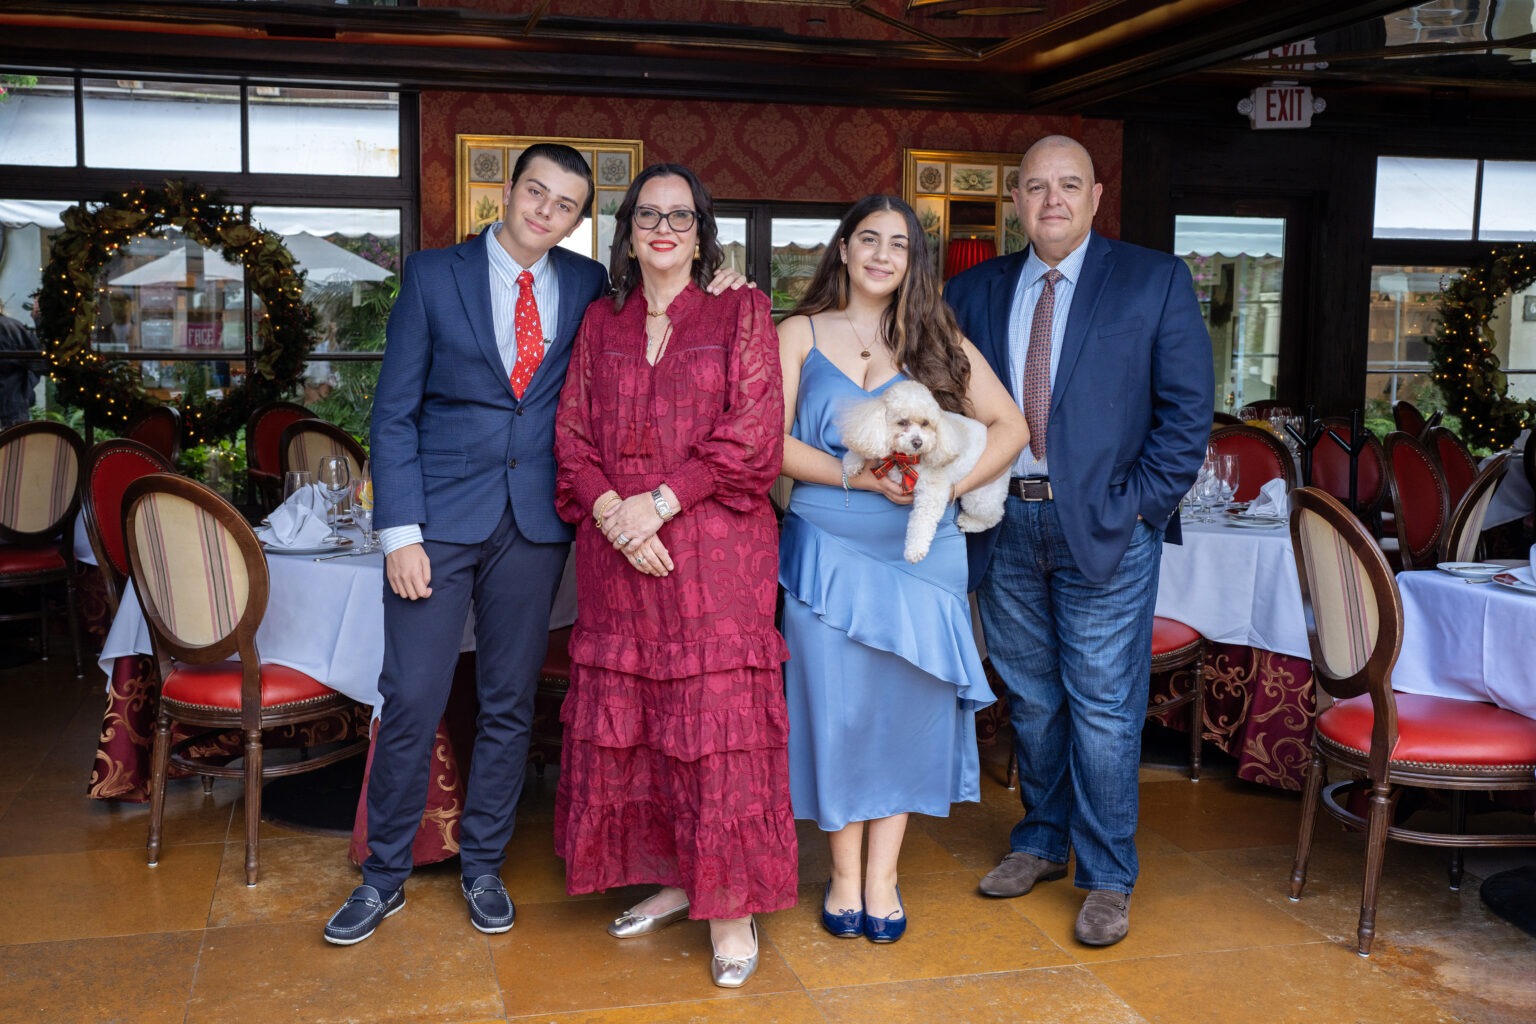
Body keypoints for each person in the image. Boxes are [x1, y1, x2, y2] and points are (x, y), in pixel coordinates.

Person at [323, 143, 610, 946]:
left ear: (578, 220)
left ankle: (483, 862)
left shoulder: (587, 286)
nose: (544, 211)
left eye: (564, 205)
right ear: (508, 194)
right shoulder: (432, 274)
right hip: (437, 525)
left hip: (533, 527)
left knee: (508, 703)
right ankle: (384, 876)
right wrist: (399, 533)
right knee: (412, 697)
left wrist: (722, 279)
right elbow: (394, 411)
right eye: (534, 192)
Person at [943, 135, 1212, 947]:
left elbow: (1187, 412)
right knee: (1032, 696)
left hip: (1105, 523)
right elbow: (944, 400)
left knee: (1102, 704)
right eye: (1036, 187)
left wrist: (1137, 508)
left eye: (1069, 185)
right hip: (1004, 519)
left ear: (1097, 196)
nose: (1052, 199)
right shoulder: (973, 290)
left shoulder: (1153, 280)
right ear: (1016, 202)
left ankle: (1105, 873)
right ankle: (1042, 838)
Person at [552, 163, 795, 988]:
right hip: (622, 560)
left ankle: (732, 911)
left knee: (717, 730)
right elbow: (573, 438)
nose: (663, 228)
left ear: (702, 232)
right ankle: (675, 879)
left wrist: (656, 503)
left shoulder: (743, 310)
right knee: (650, 731)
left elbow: (754, 437)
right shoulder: (600, 320)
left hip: (715, 558)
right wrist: (618, 519)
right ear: (625, 231)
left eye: (680, 217)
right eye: (648, 215)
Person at [776, 196, 1027, 943]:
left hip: (923, 555)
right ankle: (842, 874)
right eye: (870, 240)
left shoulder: (935, 334)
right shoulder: (796, 333)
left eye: (901, 244)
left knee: (904, 716)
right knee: (837, 713)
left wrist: (944, 482)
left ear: (913, 260)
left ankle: (882, 877)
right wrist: (854, 478)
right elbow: (764, 445)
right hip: (827, 548)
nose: (884, 254)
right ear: (845, 248)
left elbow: (1011, 426)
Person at [0, 301, 42, 428]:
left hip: (12, 407)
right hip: (12, 409)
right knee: (13, 446)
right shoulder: (13, 328)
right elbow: (41, 363)